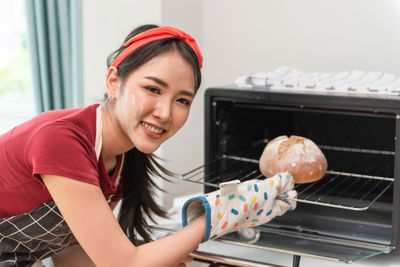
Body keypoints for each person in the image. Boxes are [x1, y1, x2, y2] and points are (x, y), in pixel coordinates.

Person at [0, 24, 296, 267]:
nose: (165, 113)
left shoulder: (123, 161)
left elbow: (72, 256)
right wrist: (216, 218)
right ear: (113, 82)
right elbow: (121, 263)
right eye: (153, 89)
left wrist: (159, 258)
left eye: (182, 100)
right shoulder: (61, 141)